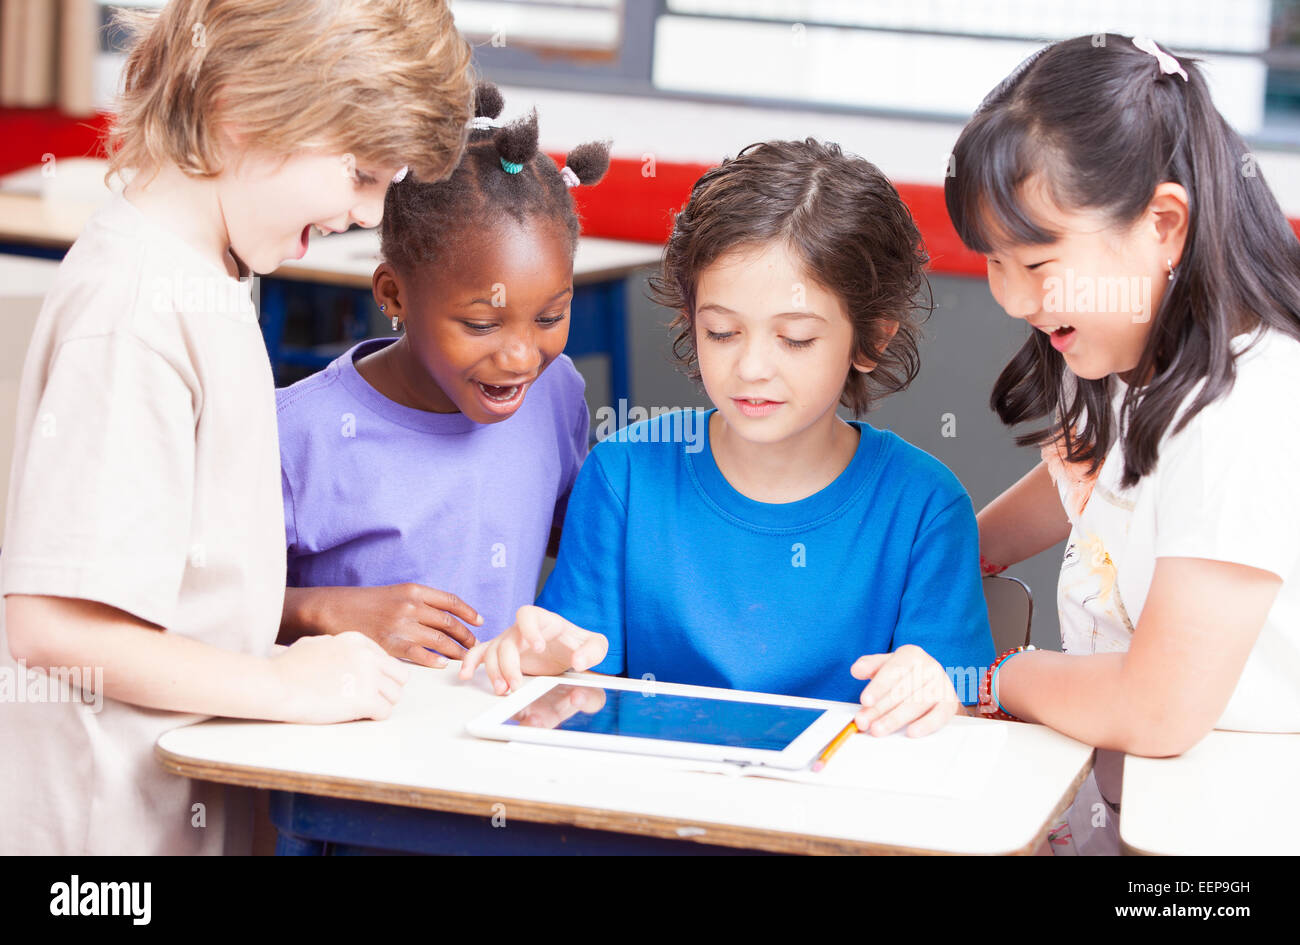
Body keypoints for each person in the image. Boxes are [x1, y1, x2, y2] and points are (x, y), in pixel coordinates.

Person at [0, 0, 473, 854]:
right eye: (362, 173)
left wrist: (305, 628)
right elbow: (52, 625)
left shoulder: (198, 279)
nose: (368, 214)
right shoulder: (138, 308)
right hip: (103, 840)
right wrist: (283, 685)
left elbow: (182, 591)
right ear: (249, 108)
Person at [462, 138, 995, 740]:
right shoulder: (625, 475)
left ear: (869, 339)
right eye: (721, 332)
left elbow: (962, 706)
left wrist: (934, 685)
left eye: (794, 338)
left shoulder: (925, 507)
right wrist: (545, 665)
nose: (751, 368)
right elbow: (579, 686)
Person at [947, 35, 1300, 853]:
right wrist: (956, 553)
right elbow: (1089, 473)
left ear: (1164, 223)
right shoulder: (1125, 341)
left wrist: (996, 679)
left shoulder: (1245, 412)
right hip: (1144, 814)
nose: (1010, 298)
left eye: (1036, 261)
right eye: (994, 262)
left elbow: (1159, 706)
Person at [276, 83, 608, 663]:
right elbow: (204, 606)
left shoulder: (556, 393)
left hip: (484, 724)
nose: (521, 357)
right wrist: (322, 613)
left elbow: (573, 540)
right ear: (393, 293)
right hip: (339, 733)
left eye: (550, 316)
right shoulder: (298, 433)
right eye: (482, 324)